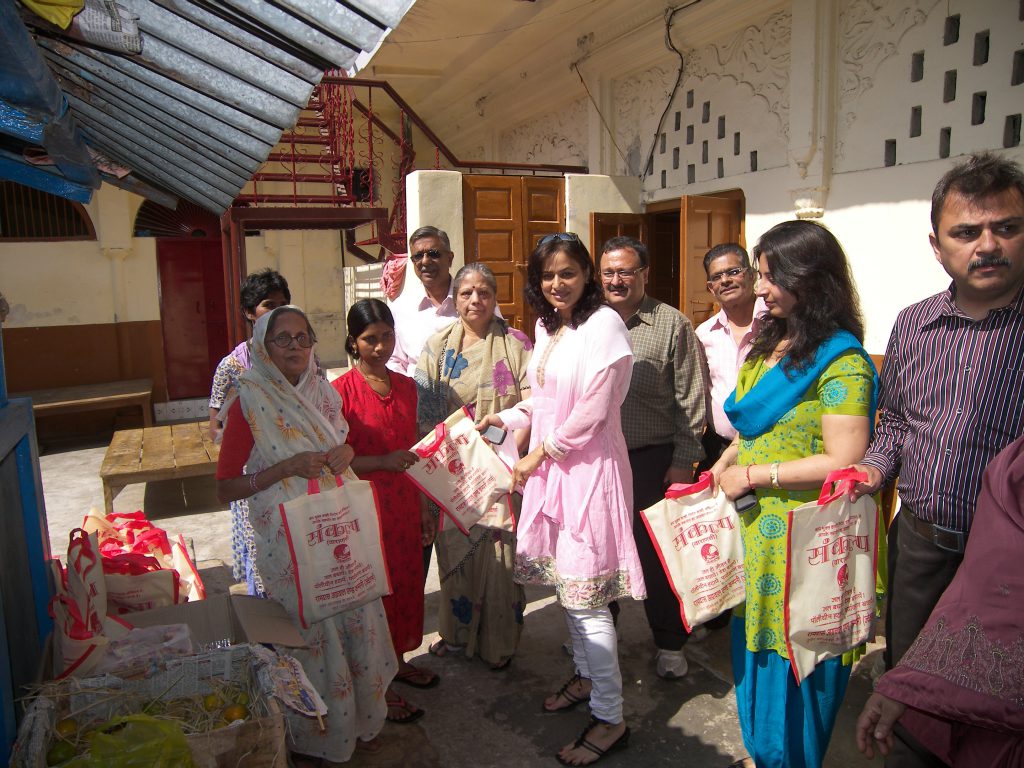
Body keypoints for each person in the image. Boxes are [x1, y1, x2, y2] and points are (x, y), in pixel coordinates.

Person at [849, 153, 1024, 768]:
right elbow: (895, 421)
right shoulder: (916, 325)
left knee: (994, 704)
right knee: (910, 690)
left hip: (1008, 568)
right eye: (967, 232)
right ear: (937, 244)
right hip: (921, 544)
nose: (988, 245)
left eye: (1006, 227)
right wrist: (872, 469)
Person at [710, 220, 877, 768]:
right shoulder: (766, 342)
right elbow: (752, 429)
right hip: (756, 533)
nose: (759, 289)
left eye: (770, 277)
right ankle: (764, 753)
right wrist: (726, 461)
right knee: (754, 649)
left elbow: (843, 460)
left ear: (811, 279)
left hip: (805, 541)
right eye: (759, 275)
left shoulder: (841, 362)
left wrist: (755, 476)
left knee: (797, 656)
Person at [477, 233, 645, 767]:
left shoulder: (605, 327)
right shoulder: (549, 326)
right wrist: (505, 421)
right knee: (569, 589)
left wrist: (539, 453)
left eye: (568, 273)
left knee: (586, 597)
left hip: (589, 472)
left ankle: (610, 715)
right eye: (548, 275)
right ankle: (585, 676)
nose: (557, 284)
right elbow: (544, 401)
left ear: (586, 275)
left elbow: (593, 410)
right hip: (553, 471)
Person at [215, 306, 395, 765]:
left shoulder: (324, 393)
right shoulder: (249, 400)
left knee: (356, 620)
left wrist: (347, 450)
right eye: (283, 339)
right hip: (288, 542)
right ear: (262, 346)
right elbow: (225, 487)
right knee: (312, 635)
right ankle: (320, 734)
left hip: (337, 529)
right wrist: (285, 468)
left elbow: (343, 439)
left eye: (303, 337)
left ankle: (364, 719)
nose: (295, 347)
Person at [855, 433, 1024, 767]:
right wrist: (912, 684)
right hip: (919, 541)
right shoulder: (1015, 469)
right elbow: (990, 581)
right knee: (909, 736)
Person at [414, 263, 532, 671]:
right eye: (466, 293)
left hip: (504, 471)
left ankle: (499, 643)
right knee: (455, 558)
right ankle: (455, 633)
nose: (475, 300)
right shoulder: (437, 347)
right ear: (456, 299)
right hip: (453, 476)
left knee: (501, 563)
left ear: (495, 297)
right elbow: (424, 413)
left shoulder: (516, 344)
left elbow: (534, 407)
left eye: (483, 292)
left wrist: (506, 467)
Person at [598, 235, 706, 680]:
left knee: (656, 556)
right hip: (600, 461)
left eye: (625, 271)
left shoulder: (671, 324)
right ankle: (598, 635)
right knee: (599, 551)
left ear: (644, 273)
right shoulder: (591, 323)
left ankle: (669, 641)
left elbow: (691, 399)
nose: (616, 280)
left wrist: (684, 459)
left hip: (650, 460)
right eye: (608, 272)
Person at [332, 298, 436, 724]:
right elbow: (334, 460)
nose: (379, 347)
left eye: (386, 337)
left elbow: (413, 450)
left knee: (408, 585)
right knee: (374, 594)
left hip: (405, 504)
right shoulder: (338, 393)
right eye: (369, 339)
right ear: (353, 343)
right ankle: (379, 686)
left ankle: (398, 661)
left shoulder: (408, 387)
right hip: (363, 508)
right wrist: (380, 462)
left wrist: (426, 506)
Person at [208, 268, 290, 596]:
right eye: (269, 305)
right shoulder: (233, 366)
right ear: (248, 313)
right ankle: (268, 635)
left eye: (283, 305)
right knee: (263, 555)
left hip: (296, 472)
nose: (278, 313)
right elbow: (216, 425)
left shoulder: (299, 357)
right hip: (254, 478)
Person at [695, 243, 766, 469]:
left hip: (768, 447)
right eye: (717, 277)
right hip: (718, 448)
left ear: (752, 275)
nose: (725, 280)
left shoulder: (777, 325)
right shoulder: (704, 334)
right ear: (710, 288)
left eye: (734, 272)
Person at [387, 225, 459, 377]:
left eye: (433, 254)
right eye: (418, 256)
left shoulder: (476, 301)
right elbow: (395, 360)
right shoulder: (401, 308)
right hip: (417, 397)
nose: (425, 261)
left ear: (450, 258)